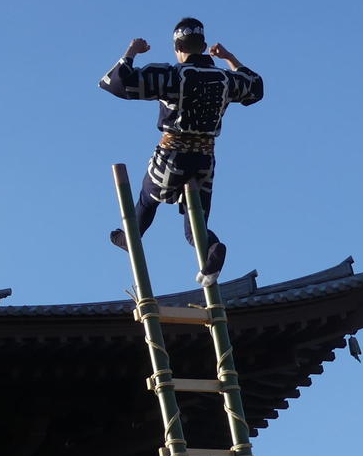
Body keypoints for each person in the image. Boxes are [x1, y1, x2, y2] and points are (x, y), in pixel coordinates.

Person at [99, 17, 263, 285]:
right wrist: (229, 57)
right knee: (195, 224)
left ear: (178, 48)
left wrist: (132, 51)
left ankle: (131, 237)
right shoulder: (225, 79)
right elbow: (255, 86)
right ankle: (213, 248)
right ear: (204, 46)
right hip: (205, 158)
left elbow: (118, 83)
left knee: (147, 197)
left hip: (173, 153)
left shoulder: (172, 76)